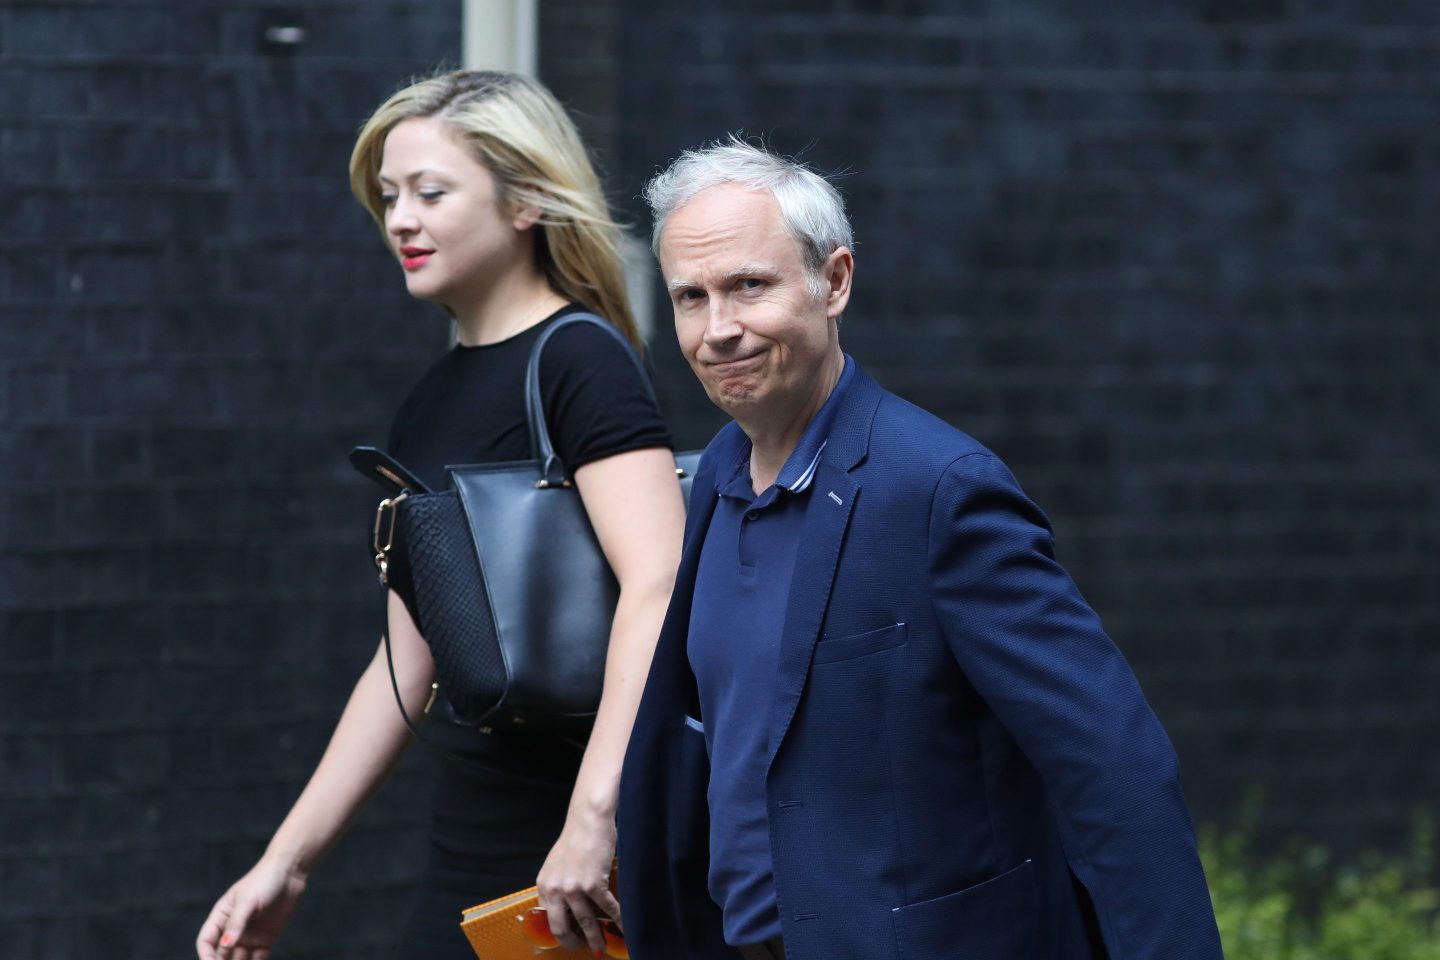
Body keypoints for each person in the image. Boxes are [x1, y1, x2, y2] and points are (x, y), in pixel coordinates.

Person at [616, 139, 1225, 960]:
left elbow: (1112, 768)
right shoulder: (719, 471)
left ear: (833, 282)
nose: (719, 329)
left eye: (748, 286)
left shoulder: (939, 490)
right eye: (691, 297)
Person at [196, 70, 686, 960]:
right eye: (388, 196)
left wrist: (594, 819)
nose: (400, 221)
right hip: (475, 839)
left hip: (579, 855)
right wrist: (288, 862)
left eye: (430, 192)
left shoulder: (580, 362)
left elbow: (661, 584)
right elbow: (406, 662)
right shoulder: (431, 400)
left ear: (526, 202)